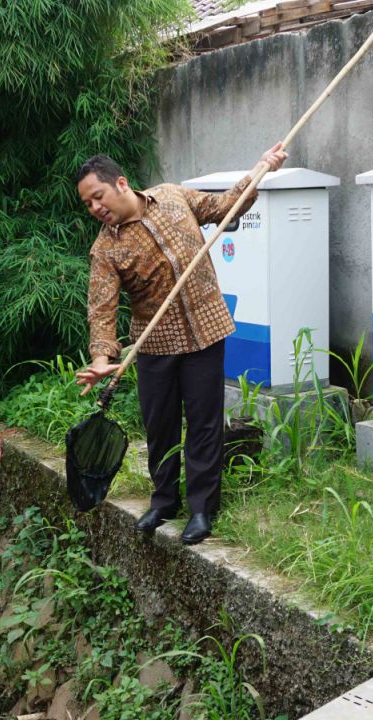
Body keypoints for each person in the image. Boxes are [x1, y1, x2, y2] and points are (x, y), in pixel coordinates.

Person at [74, 144, 288, 545]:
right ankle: (164, 500)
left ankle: (203, 508)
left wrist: (259, 169)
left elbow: (226, 207)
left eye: (97, 197)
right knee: (161, 425)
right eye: (87, 204)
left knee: (205, 424)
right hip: (154, 343)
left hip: (205, 331)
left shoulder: (173, 196)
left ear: (120, 183)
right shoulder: (105, 249)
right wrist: (103, 357)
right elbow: (101, 309)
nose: (94, 208)